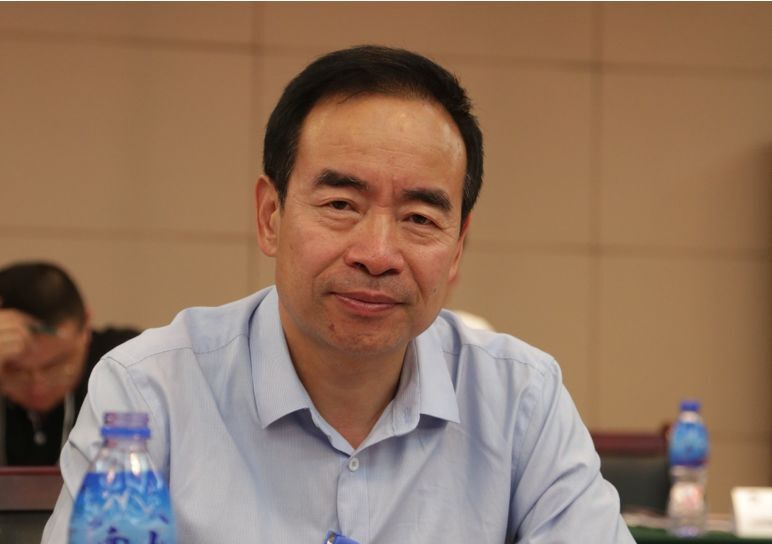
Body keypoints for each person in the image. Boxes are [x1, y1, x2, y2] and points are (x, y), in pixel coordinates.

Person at [43, 46, 634, 542]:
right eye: (341, 204)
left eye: (420, 218)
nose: (377, 254)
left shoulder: (520, 400)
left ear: (457, 247)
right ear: (270, 216)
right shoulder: (149, 393)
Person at [0, 261, 139, 465]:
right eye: (14, 370)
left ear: (86, 326)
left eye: (56, 365)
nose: (38, 387)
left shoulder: (129, 364)